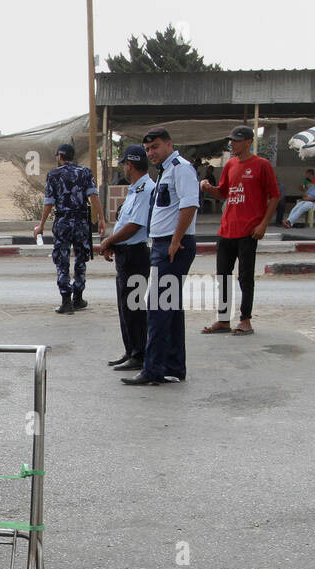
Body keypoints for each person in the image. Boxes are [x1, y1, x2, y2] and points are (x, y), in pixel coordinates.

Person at [123, 127, 198, 387]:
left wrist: (176, 241)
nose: (151, 153)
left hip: (173, 246)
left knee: (156, 308)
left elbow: (190, 204)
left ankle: (152, 369)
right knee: (171, 309)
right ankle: (175, 366)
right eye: (147, 150)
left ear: (168, 144)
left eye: (155, 147)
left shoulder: (181, 168)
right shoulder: (166, 170)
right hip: (164, 245)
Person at [199, 126, 279, 337]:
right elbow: (223, 194)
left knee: (245, 277)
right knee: (223, 277)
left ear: (248, 142)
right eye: (231, 140)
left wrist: (263, 224)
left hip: (248, 230)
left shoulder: (262, 165)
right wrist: (208, 188)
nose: (232, 144)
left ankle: (245, 320)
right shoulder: (230, 165)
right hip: (227, 229)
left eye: (236, 140)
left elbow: (275, 196)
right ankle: (224, 320)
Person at [97, 144, 153, 372]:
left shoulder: (146, 189)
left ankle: (139, 354)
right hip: (126, 253)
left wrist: (109, 241)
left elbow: (134, 225)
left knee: (134, 307)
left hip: (135, 254)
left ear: (129, 165)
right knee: (125, 307)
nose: (125, 170)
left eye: (125, 166)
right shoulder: (135, 189)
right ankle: (131, 351)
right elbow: (124, 222)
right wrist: (113, 243)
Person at [33, 143, 105, 313]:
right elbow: (93, 196)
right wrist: (101, 219)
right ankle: (78, 297)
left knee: (62, 260)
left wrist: (41, 225)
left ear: (60, 156)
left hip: (63, 222)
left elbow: (49, 203)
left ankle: (66, 301)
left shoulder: (53, 175)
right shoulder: (85, 173)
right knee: (81, 259)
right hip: (81, 222)